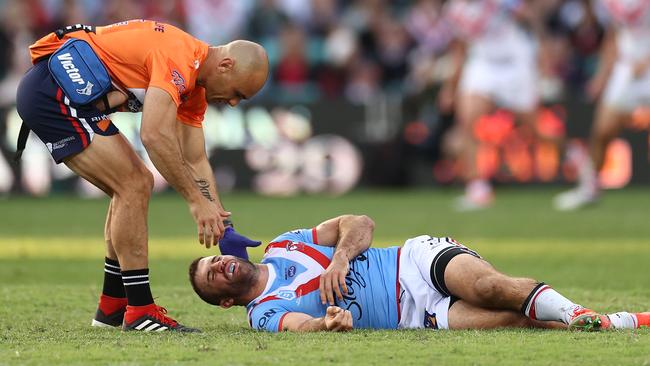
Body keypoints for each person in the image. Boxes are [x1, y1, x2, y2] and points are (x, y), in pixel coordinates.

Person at [15, 20, 269, 332]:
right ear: (226, 65)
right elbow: (154, 136)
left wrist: (223, 225)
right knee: (134, 184)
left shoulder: (195, 85)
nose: (232, 103)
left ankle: (113, 307)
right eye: (238, 94)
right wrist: (194, 201)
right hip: (53, 96)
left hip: (63, 95)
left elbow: (195, 158)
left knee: (131, 186)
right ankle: (140, 311)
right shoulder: (179, 57)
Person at [188, 214, 649, 332]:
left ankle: (593, 316)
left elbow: (360, 223)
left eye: (213, 259)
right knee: (518, 321)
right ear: (225, 299)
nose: (220, 265)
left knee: (491, 288)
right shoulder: (263, 313)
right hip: (419, 318)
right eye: (213, 277)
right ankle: (622, 321)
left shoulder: (286, 242)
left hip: (414, 262)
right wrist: (328, 322)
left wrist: (341, 258)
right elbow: (301, 326)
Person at [439, 0, 545, 210]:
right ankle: (478, 188)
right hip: (483, 64)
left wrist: (542, 58)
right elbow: (460, 48)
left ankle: (575, 159)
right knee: (467, 122)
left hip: (515, 63)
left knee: (537, 129)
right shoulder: (454, 10)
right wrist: (451, 87)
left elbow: (530, 18)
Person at [554, 0, 650, 210]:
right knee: (602, 131)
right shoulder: (613, 4)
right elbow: (612, 37)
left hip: (646, 66)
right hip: (627, 68)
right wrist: (601, 76)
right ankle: (589, 188)